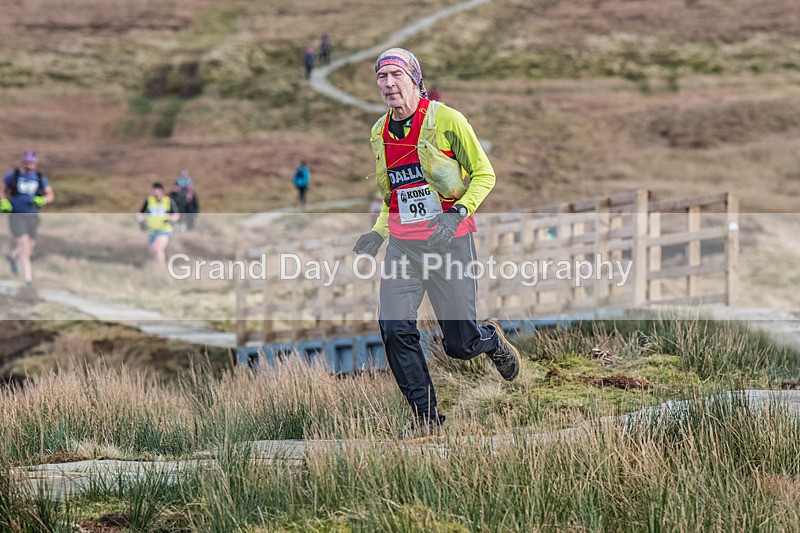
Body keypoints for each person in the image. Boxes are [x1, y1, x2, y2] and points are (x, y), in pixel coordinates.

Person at [352, 48, 522, 440]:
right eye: (382, 77)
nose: (389, 84)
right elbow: (393, 195)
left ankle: (491, 340)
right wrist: (378, 231)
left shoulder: (447, 120)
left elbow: (484, 173)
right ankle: (427, 421)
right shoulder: (379, 132)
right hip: (404, 248)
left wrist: (457, 211)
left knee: (460, 346)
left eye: (397, 75)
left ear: (415, 79)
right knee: (394, 329)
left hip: (450, 244)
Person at [0, 150, 55, 288]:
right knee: (24, 246)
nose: (29, 165)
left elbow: (50, 195)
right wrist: (3, 201)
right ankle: (28, 282)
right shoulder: (14, 175)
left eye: (31, 163)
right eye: (26, 162)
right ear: (22, 162)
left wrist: (42, 200)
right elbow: (1, 189)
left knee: (29, 248)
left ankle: (12, 257)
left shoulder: (39, 177)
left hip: (32, 217)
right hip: (16, 215)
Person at [136, 182, 180, 265]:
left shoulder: (168, 201)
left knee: (157, 248)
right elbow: (140, 213)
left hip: (164, 229)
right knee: (153, 251)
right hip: (151, 230)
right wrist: (141, 221)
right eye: (153, 190)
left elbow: (177, 214)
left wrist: (170, 219)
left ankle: (162, 269)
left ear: (161, 191)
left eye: (156, 190)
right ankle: (154, 267)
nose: (154, 192)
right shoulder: (149, 200)